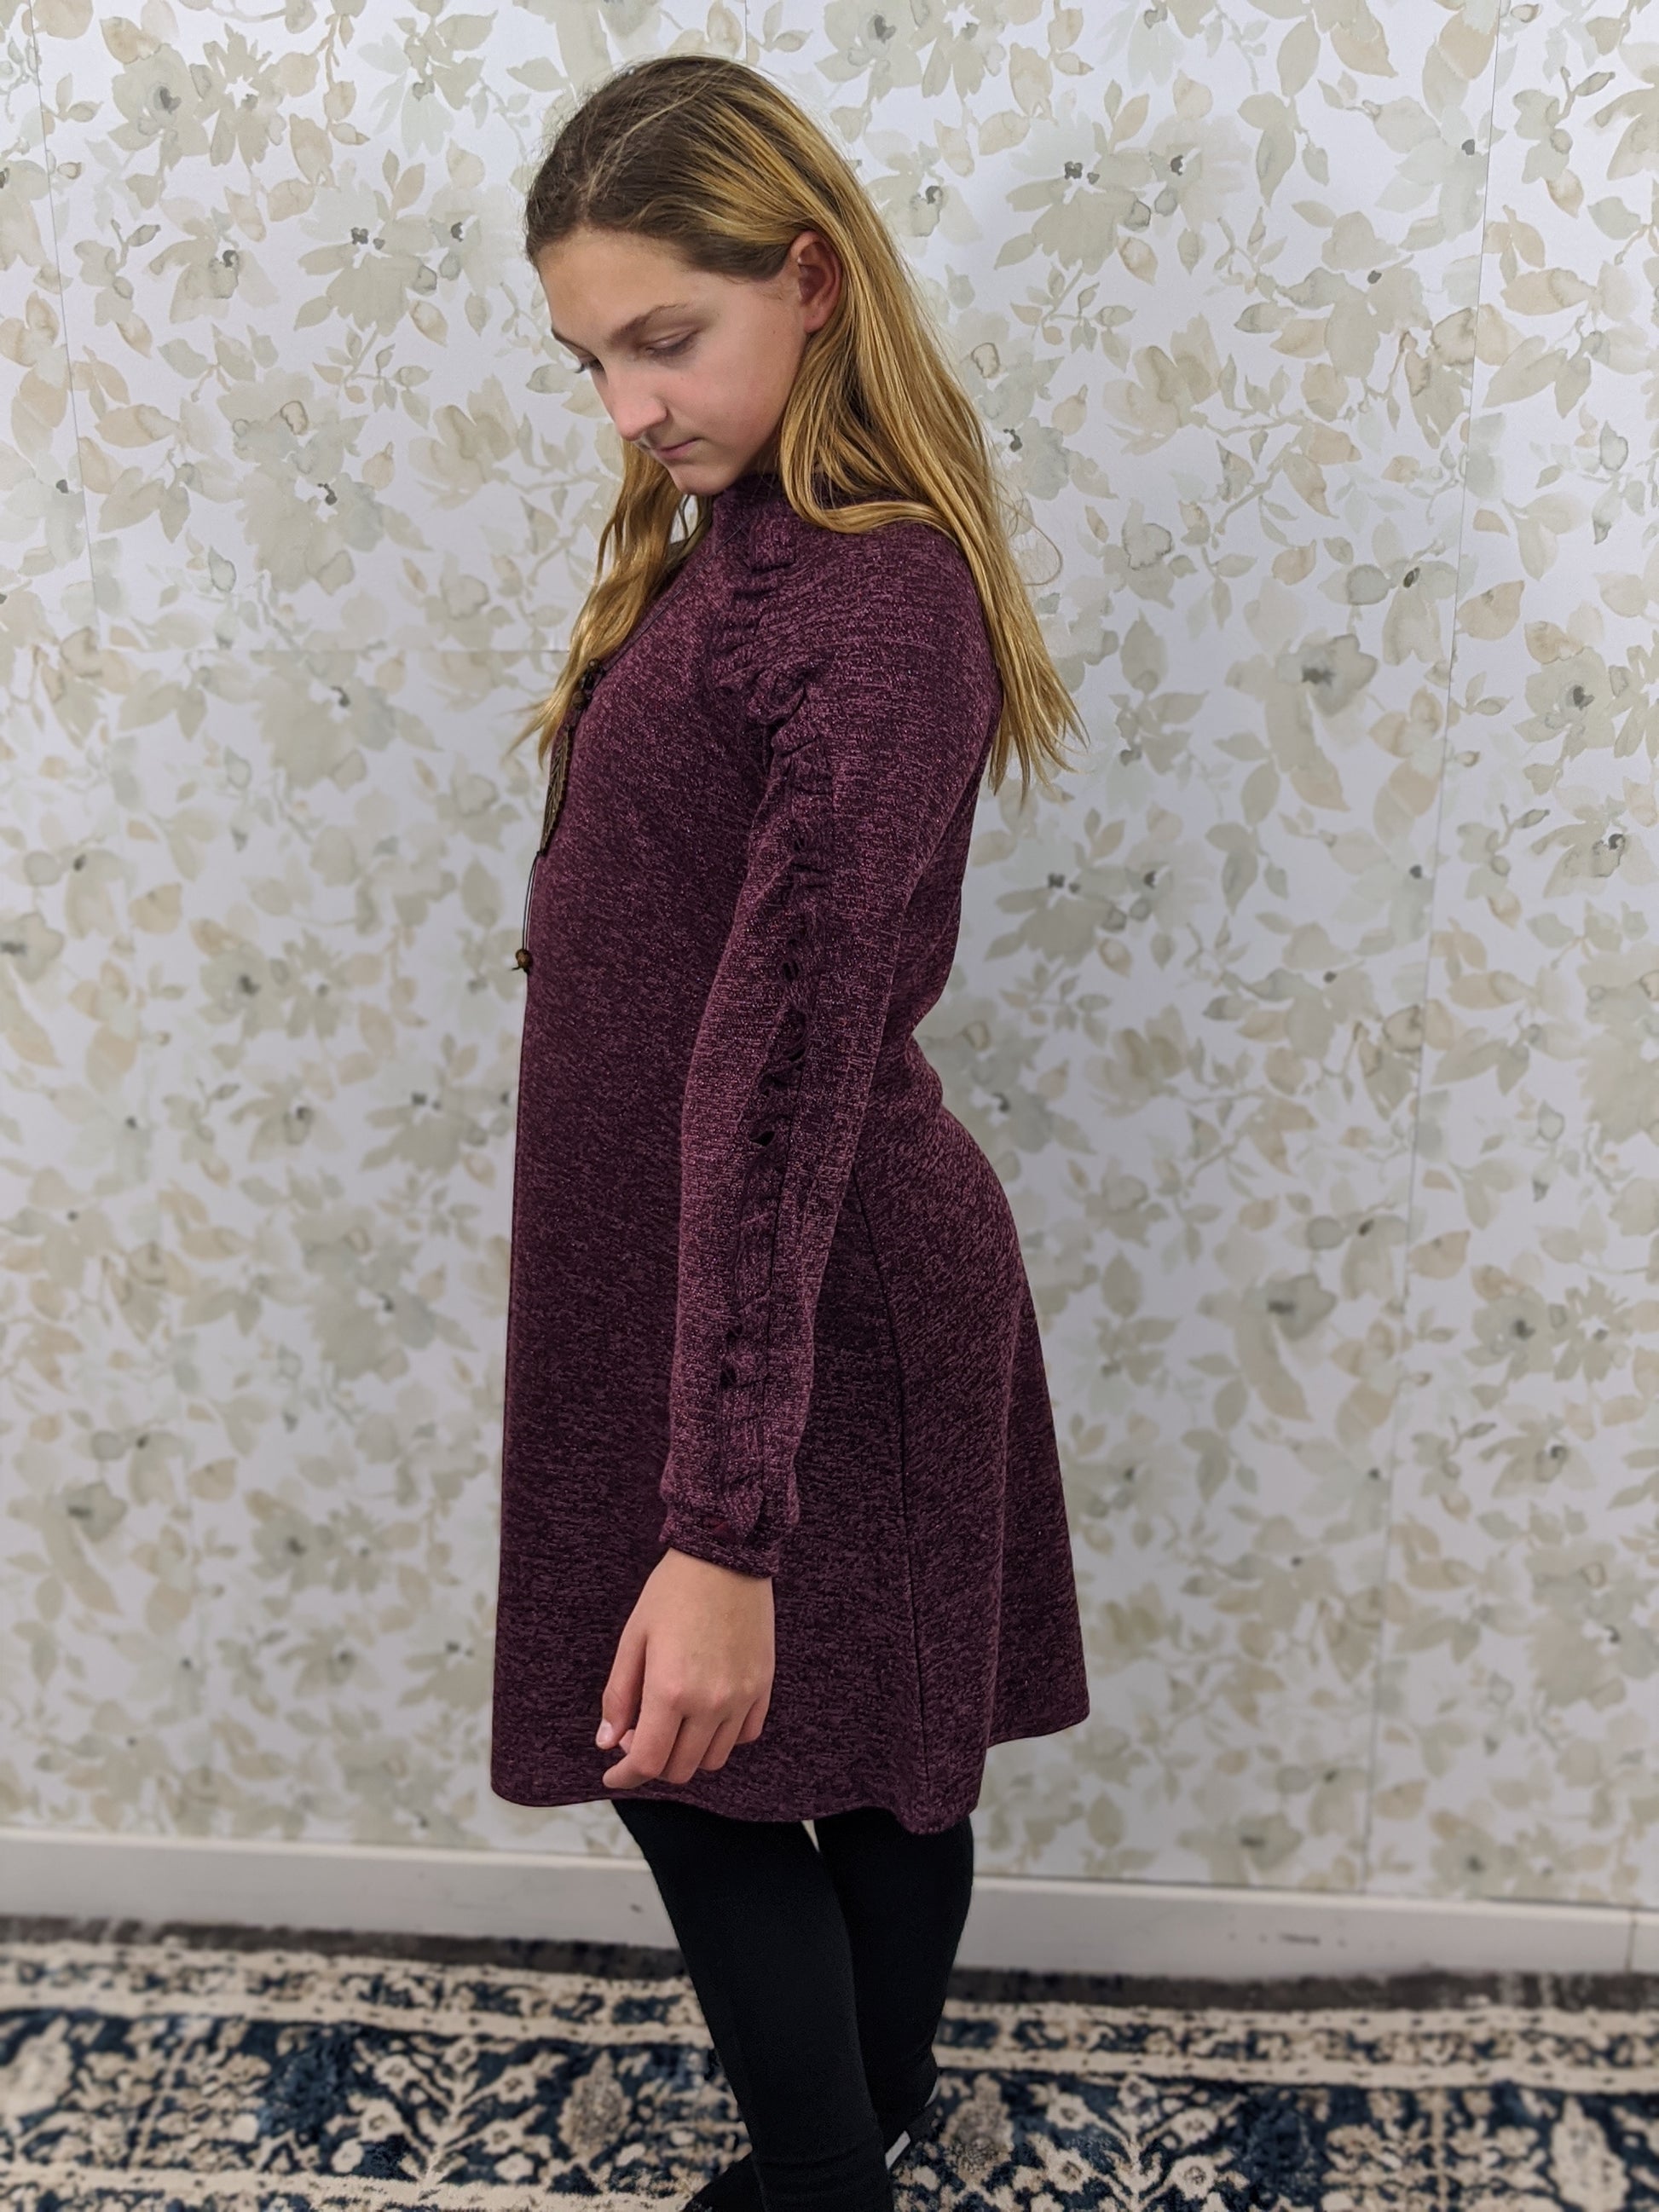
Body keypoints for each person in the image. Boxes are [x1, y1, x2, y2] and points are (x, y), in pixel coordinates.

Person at [488, 51, 1091, 2212]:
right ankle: (855, 2133)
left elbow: (781, 1069)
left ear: (810, 280)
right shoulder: (751, 548)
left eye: (666, 338)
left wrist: (722, 1527)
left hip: (816, 1293)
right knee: (819, 1757)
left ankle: (827, 2172)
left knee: (726, 1751)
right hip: (704, 1287)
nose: (627, 407)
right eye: (590, 359)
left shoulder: (870, 598)